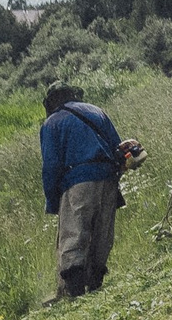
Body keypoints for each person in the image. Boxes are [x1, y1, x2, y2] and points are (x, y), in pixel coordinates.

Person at [39, 83, 127, 297]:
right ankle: (96, 283)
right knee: (102, 232)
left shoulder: (51, 123)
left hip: (77, 181)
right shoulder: (96, 111)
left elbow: (51, 167)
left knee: (73, 234)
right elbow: (117, 147)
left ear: (50, 102)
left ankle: (75, 292)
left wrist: (53, 202)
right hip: (108, 178)